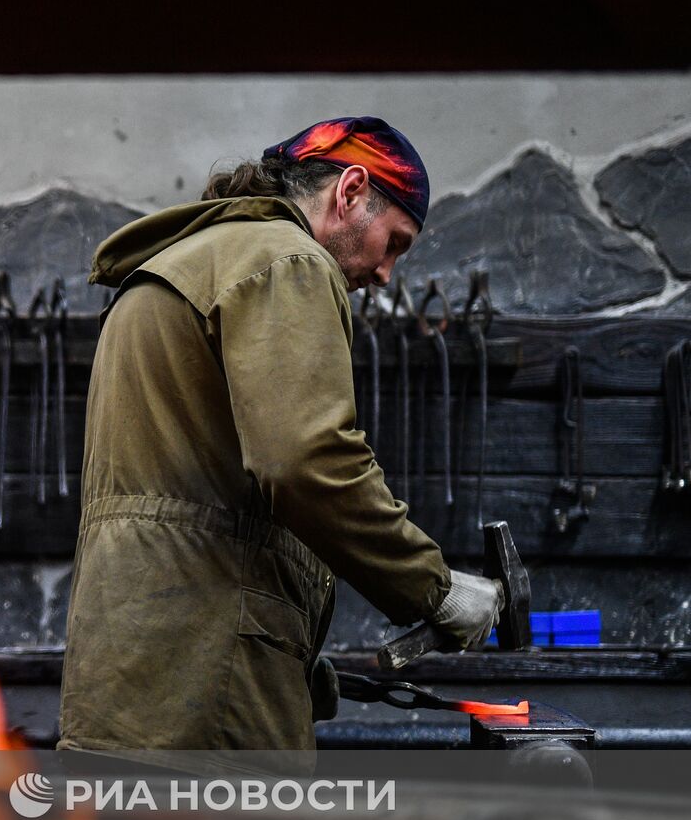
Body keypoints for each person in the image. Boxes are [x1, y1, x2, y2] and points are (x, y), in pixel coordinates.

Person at [58, 116, 503, 752]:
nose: (385, 274)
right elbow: (308, 462)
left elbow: (189, 502)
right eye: (394, 241)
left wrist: (293, 660)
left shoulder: (177, 266)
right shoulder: (286, 261)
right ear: (349, 191)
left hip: (127, 683)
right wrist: (432, 587)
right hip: (208, 704)